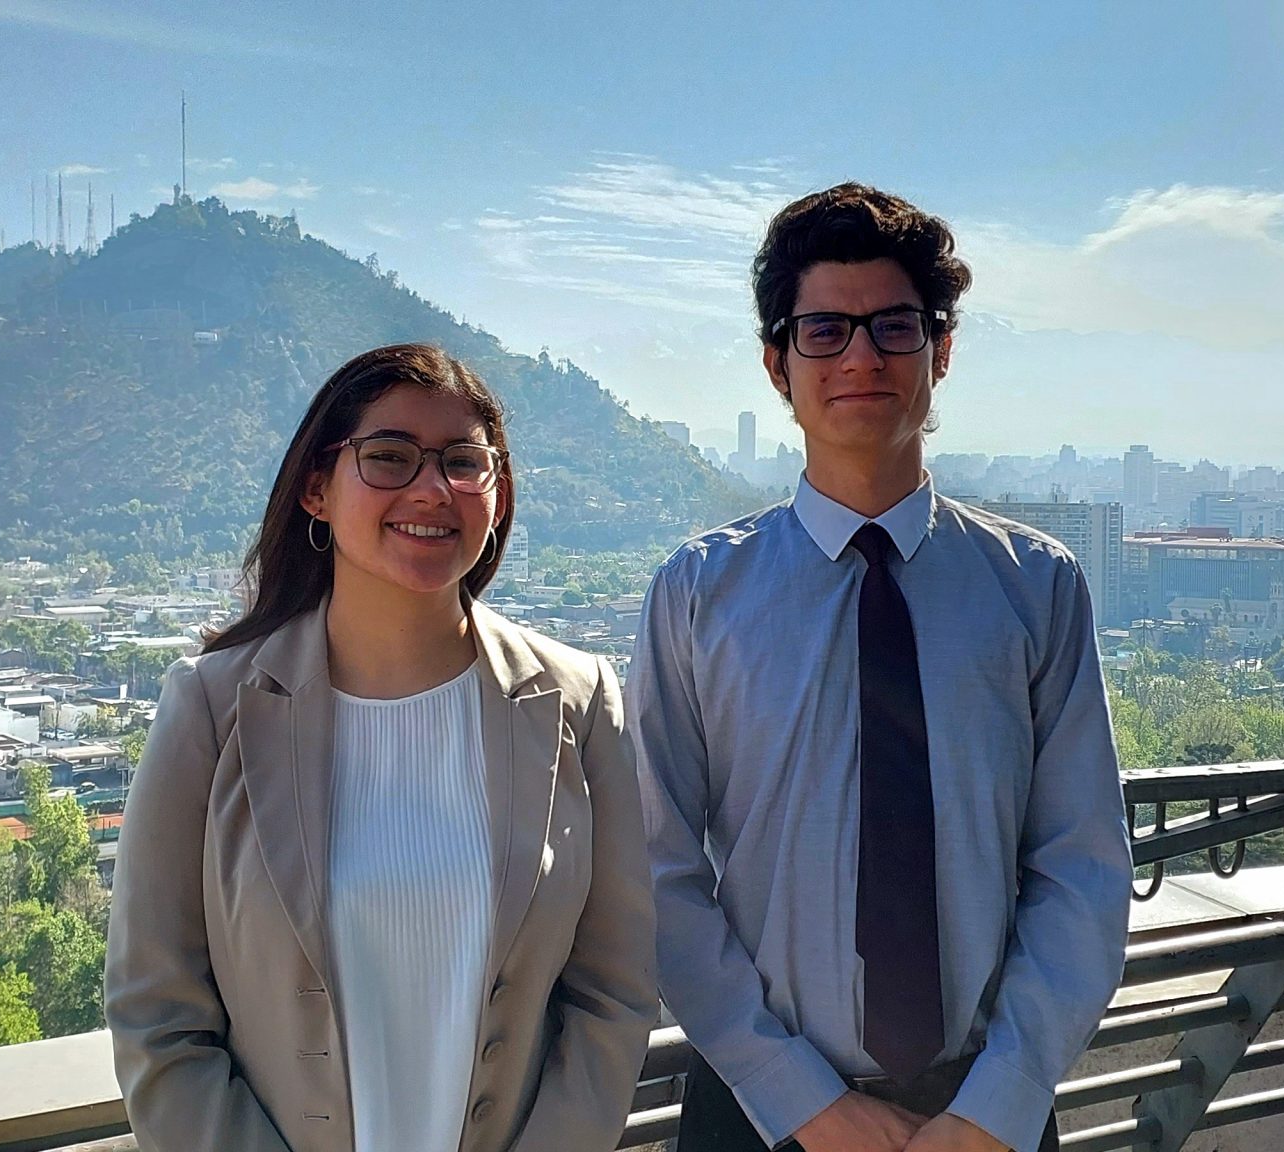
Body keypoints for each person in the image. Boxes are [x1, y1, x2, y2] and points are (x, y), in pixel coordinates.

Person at [632, 186, 1133, 1152]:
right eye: (824, 330)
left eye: (894, 327)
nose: (861, 356)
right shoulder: (698, 594)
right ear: (778, 365)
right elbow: (658, 870)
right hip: (758, 1115)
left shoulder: (1035, 588)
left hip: (989, 1112)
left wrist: (1001, 1102)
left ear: (940, 352)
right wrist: (798, 1097)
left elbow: (1080, 863)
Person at [107, 343, 656, 1152]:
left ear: (497, 498)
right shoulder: (211, 708)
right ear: (317, 490)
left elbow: (611, 996)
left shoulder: (578, 701)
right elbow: (159, 1019)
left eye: (465, 463)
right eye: (390, 456)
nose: (432, 489)